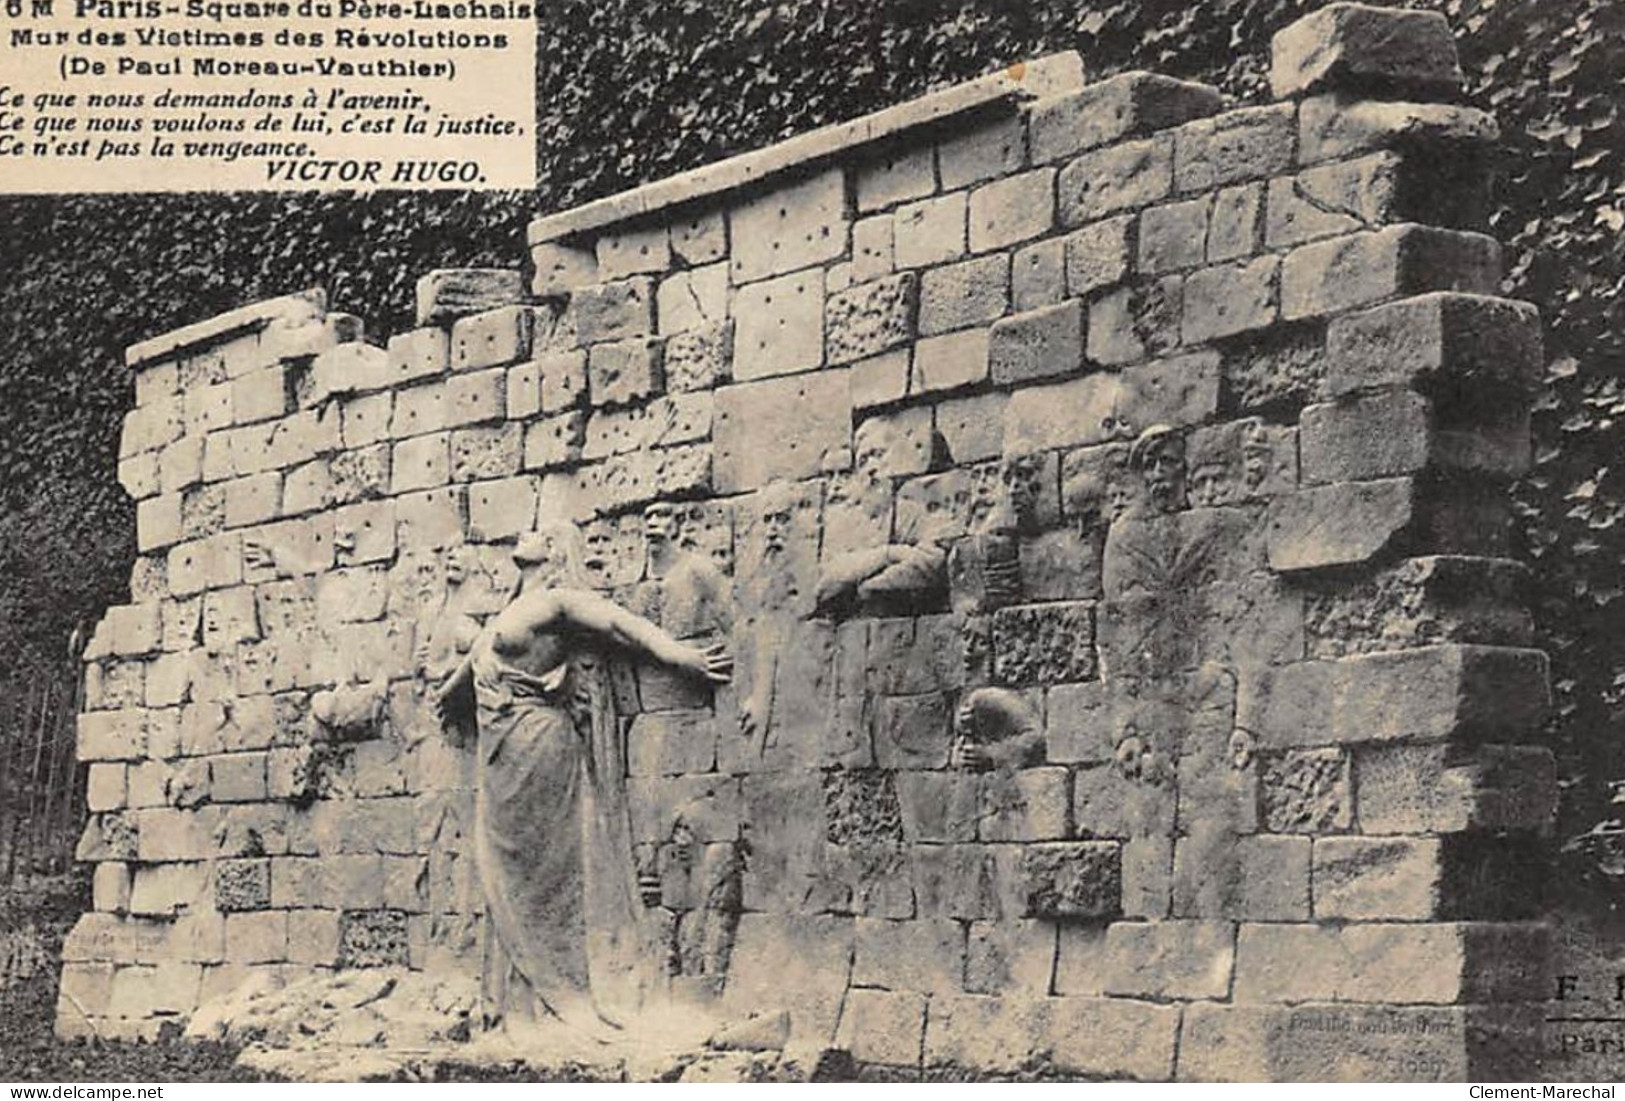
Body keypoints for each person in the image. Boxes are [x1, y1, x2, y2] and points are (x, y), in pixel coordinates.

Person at [435, 522, 731, 1044]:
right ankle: (518, 998)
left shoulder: (557, 600)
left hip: (537, 745)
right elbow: (478, 658)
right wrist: (449, 690)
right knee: (506, 869)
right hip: (499, 758)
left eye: (537, 532)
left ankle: (560, 993)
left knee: (547, 873)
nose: (522, 533)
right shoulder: (508, 610)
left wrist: (677, 655)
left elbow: (618, 625)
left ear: (552, 551)